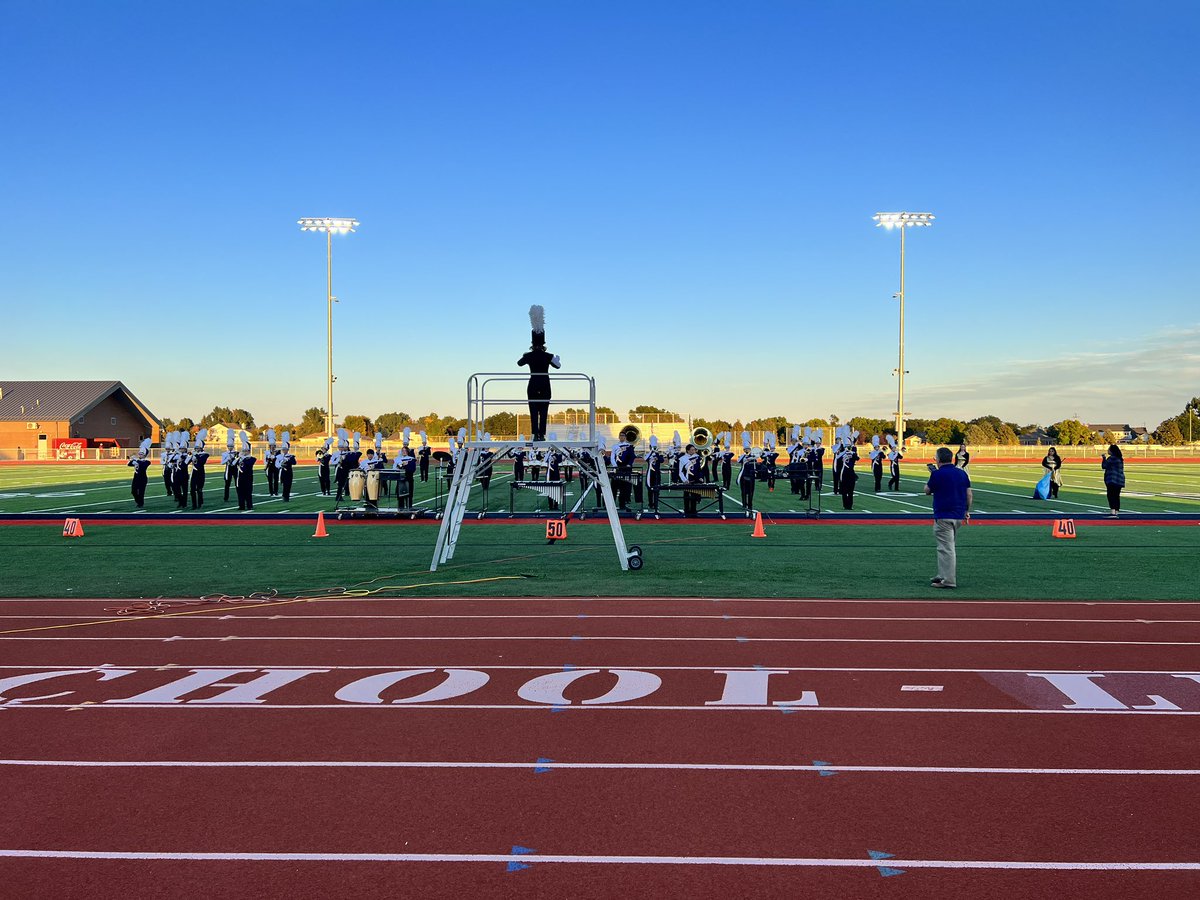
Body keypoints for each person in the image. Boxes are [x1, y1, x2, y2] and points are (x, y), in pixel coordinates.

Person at [924, 447, 972, 589]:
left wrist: (932, 476)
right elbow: (969, 494)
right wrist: (967, 510)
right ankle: (943, 575)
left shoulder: (937, 474)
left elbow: (927, 490)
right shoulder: (961, 473)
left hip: (944, 514)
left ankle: (949, 580)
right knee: (945, 547)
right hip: (958, 514)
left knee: (946, 548)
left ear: (938, 459)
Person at [517, 304, 561, 441]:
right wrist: (557, 358)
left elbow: (519, 363)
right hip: (545, 385)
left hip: (533, 384)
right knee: (544, 411)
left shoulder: (529, 356)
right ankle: (542, 434)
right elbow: (558, 366)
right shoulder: (548, 355)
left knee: (533, 411)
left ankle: (535, 433)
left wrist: (526, 355)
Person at [1101, 444, 1125, 517]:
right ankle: (1116, 512)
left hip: (1112, 479)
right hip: (1120, 479)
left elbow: (1104, 466)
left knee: (1111, 495)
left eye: (1109, 449)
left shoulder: (1112, 458)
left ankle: (1113, 512)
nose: (1108, 450)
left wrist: (1104, 458)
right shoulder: (1120, 458)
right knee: (1116, 496)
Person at [839, 441, 860, 510]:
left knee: (851, 491)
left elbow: (857, 458)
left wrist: (852, 453)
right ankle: (845, 505)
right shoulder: (842, 453)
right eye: (846, 446)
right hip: (844, 473)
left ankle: (850, 505)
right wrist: (844, 452)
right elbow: (837, 458)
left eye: (849, 446)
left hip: (851, 473)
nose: (847, 447)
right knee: (844, 491)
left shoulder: (853, 453)